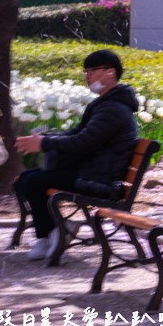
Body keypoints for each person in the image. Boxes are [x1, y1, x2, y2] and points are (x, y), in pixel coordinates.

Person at [13, 49, 140, 261]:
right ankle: (53, 232)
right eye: (86, 71)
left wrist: (44, 143)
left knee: (35, 181)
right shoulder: (106, 103)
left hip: (100, 179)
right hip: (92, 171)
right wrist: (47, 137)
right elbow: (79, 134)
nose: (87, 76)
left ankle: (52, 233)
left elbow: (84, 142)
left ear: (110, 73)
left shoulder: (114, 108)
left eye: (92, 70)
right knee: (26, 179)